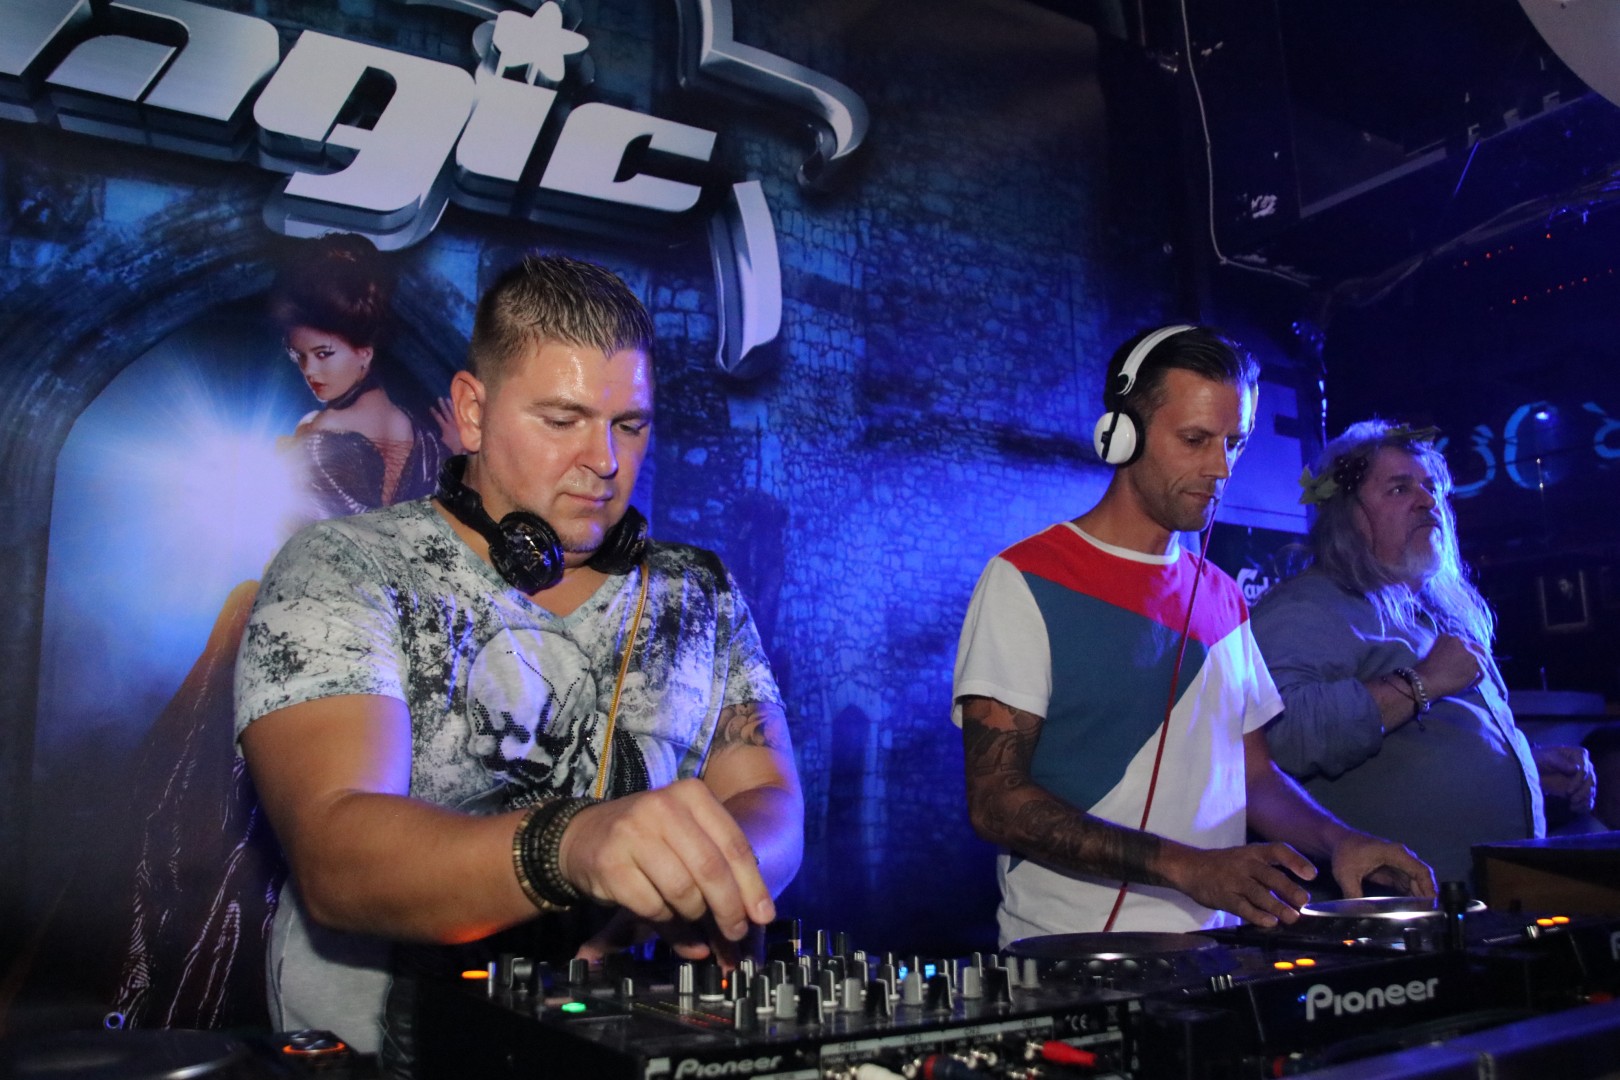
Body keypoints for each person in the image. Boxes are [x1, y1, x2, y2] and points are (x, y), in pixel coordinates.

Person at [234, 254, 802, 1062]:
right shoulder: (344, 569)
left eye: (629, 424)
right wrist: (575, 845)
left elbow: (771, 802)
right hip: (383, 1055)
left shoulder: (695, 589)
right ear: (472, 412)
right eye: (563, 420)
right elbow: (337, 853)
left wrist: (689, 880)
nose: (605, 461)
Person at [953, 325, 1434, 947]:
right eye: (1194, 440)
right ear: (1122, 433)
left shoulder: (1224, 598)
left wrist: (1341, 840)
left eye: (1235, 443)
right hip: (1072, 958)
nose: (1220, 468)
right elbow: (995, 800)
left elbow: (1254, 778)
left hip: (1216, 954)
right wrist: (1187, 867)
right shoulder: (1026, 579)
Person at [109, 235, 460, 1031]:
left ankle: (236, 1008)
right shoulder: (397, 431)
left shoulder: (347, 429)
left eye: (324, 353)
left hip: (310, 635)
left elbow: (331, 546)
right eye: (299, 355)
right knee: (233, 824)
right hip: (343, 636)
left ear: (366, 347)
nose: (310, 369)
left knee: (230, 825)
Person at [1250, 420, 1595, 890]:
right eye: (1399, 488)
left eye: (1431, 488)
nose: (1428, 501)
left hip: (1487, 901)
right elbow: (1278, 736)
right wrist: (1423, 683)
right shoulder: (1311, 604)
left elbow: (1429, 749)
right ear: (1347, 515)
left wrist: (1527, 769)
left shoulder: (1432, 612)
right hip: (1392, 912)